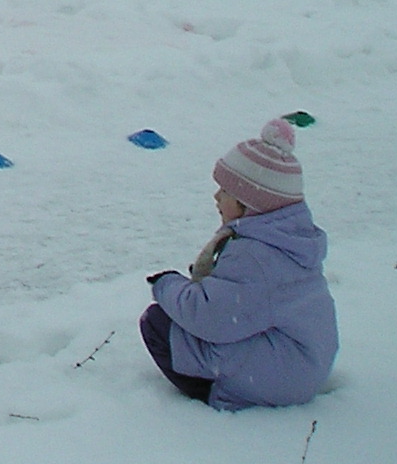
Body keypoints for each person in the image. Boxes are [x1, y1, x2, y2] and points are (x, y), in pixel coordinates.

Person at [142, 119, 338, 411]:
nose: (217, 197)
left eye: (225, 191)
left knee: (158, 323)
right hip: (303, 363)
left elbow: (210, 317)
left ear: (250, 204)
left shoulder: (255, 257)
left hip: (279, 380)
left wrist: (166, 284)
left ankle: (217, 392)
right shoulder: (289, 241)